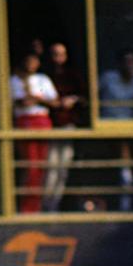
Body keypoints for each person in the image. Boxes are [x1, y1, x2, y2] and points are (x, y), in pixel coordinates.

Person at [99, 49, 133, 211]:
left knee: (128, 167)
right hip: (107, 127)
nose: (129, 65)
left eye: (132, 61)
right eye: (126, 61)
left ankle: (126, 205)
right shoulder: (109, 78)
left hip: (129, 128)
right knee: (113, 168)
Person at [10, 51, 59, 214]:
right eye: (28, 60)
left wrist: (38, 98)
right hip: (25, 120)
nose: (31, 64)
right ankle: (27, 208)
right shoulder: (14, 80)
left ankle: (38, 206)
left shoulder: (43, 79)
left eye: (34, 61)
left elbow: (54, 101)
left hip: (42, 121)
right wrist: (28, 99)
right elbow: (16, 102)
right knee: (30, 165)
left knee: (42, 166)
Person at [42, 42, 85, 211]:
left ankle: (54, 204)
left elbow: (84, 97)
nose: (58, 58)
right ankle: (46, 205)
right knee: (50, 167)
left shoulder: (73, 75)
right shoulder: (45, 75)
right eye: (54, 54)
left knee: (63, 168)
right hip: (49, 126)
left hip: (67, 124)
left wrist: (72, 100)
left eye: (61, 54)